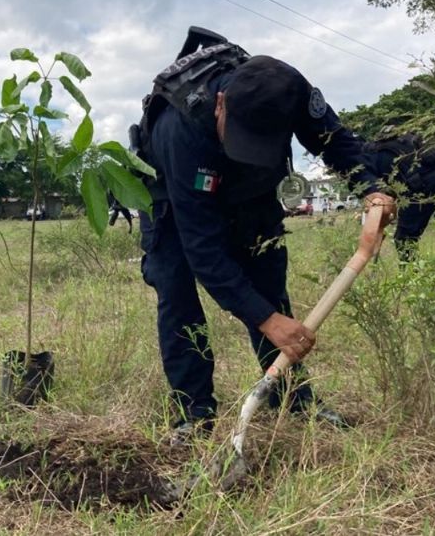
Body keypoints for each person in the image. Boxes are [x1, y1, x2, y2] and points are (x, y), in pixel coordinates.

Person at [132, 27, 395, 443]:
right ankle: (194, 415)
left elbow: (337, 142)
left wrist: (371, 188)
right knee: (178, 293)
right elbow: (204, 249)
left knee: (270, 286)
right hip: (172, 200)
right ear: (221, 104)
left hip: (251, 193)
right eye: (241, 137)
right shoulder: (180, 127)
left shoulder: (290, 92)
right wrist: (267, 321)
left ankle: (292, 399)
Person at [366, 129, 435, 262]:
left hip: (425, 185)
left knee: (404, 238)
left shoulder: (376, 157)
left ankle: (412, 275)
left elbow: (390, 190)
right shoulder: (401, 142)